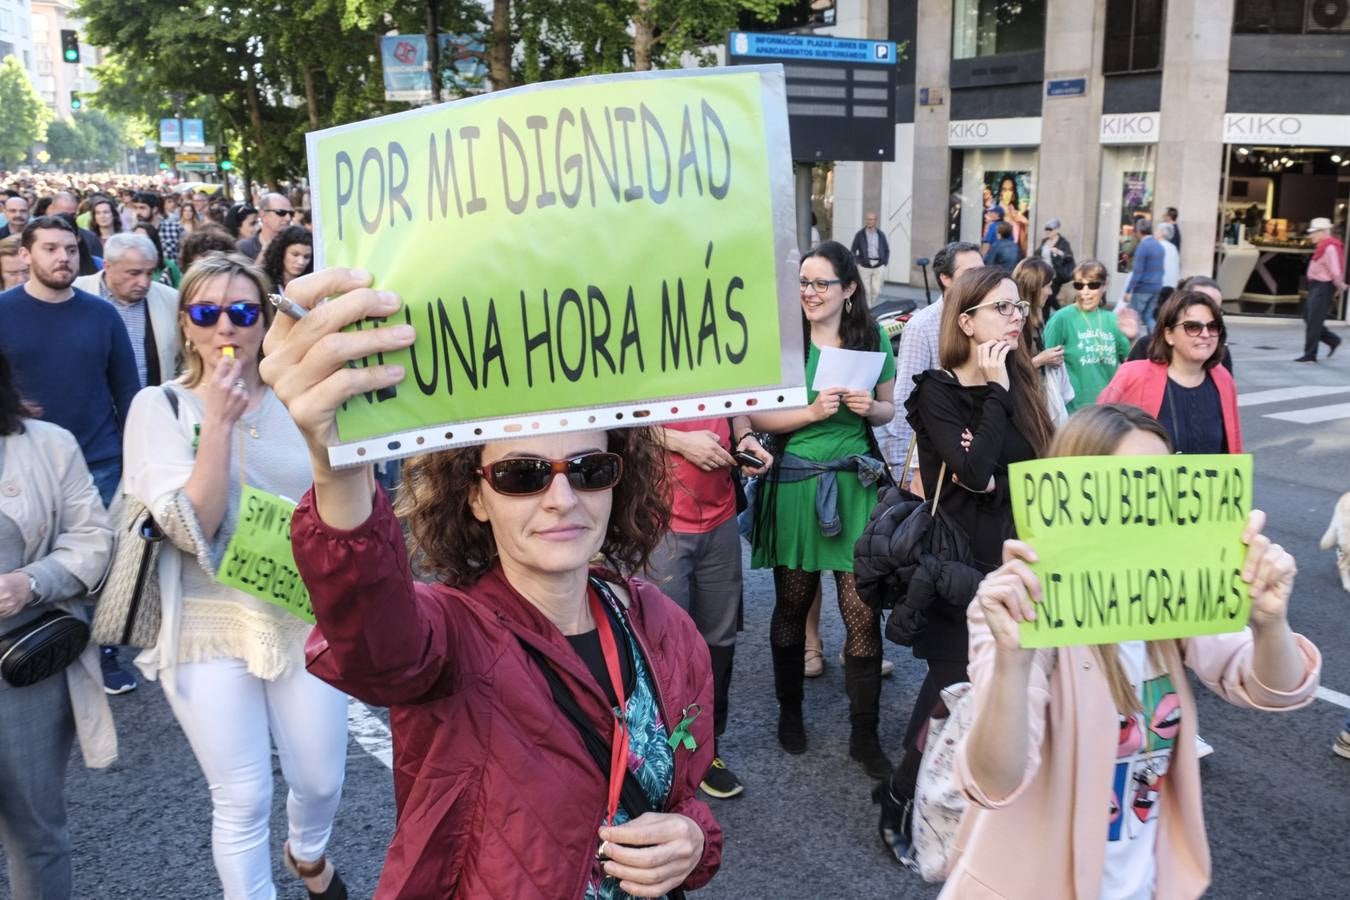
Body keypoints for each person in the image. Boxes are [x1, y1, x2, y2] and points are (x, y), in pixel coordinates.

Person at [261, 267, 724, 899]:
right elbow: (377, 646)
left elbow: (685, 796)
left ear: (620, 480)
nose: (562, 499)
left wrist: (691, 840)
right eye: (522, 475)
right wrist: (336, 461)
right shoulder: (451, 637)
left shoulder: (665, 629)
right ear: (476, 497)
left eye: (590, 469)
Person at [940, 403, 1321, 899]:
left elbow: (1275, 689)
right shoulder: (1017, 607)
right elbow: (994, 781)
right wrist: (1015, 661)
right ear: (1074, 495)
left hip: (1143, 884)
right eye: (1126, 486)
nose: (1147, 511)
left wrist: (1270, 623)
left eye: (1162, 484)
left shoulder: (1172, 597)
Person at [121, 254, 350, 900]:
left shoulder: (299, 403)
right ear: (185, 326)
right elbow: (189, 526)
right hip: (205, 626)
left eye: (244, 311)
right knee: (243, 796)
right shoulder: (159, 408)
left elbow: (343, 500)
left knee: (320, 780)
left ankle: (307, 853)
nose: (227, 324)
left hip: (303, 616)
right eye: (207, 311)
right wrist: (217, 420)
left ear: (265, 320)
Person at [874, 265, 1054, 865]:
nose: (1014, 318)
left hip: (1017, 558)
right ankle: (901, 795)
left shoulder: (1025, 383)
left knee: (997, 685)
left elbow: (1042, 466)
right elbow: (973, 471)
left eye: (1018, 309)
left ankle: (967, 796)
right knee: (949, 689)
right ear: (967, 320)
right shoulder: (935, 389)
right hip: (957, 563)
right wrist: (997, 387)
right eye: (1001, 308)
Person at [748, 240, 896, 778]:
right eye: (803, 283)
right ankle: (791, 714)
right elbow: (757, 416)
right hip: (794, 484)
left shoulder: (872, 336)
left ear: (849, 289)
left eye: (820, 283)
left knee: (859, 607)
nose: (809, 292)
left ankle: (865, 734)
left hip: (855, 484)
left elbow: (887, 409)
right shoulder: (784, 341)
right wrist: (811, 412)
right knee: (791, 601)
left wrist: (870, 407)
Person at [0, 216, 140, 693]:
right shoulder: (3, 313)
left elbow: (128, 390)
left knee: (97, 563)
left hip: (98, 459)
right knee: (36, 565)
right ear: (25, 255)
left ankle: (104, 652)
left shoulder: (101, 315)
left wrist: (134, 456)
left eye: (71, 250)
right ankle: (36, 650)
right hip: (24, 467)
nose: (63, 258)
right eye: (51, 248)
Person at [0, 349, 117, 900]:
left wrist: (32, 581)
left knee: (36, 831)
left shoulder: (48, 445)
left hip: (23, 670)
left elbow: (94, 540)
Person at [648, 417, 771, 799]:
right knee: (662, 646)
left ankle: (705, 748)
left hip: (719, 516)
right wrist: (679, 442)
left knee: (719, 642)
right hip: (659, 518)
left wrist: (744, 434)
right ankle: (659, 753)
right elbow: (614, 419)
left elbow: (734, 401)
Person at [879, 241, 984, 478]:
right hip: (934, 460)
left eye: (982, 270)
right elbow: (906, 397)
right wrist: (901, 471)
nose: (980, 278)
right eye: (971, 273)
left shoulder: (985, 317)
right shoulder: (923, 326)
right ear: (945, 278)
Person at [1100, 289, 1241, 455]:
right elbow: (1097, 435)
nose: (1205, 334)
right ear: (1169, 335)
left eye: (1212, 327)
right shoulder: (1132, 375)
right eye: (1193, 327)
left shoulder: (1223, 379)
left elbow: (1231, 449)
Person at [74, 233, 181, 389]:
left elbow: (184, 360)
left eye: (150, 273)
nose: (144, 283)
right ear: (107, 266)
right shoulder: (75, 293)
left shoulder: (171, 299)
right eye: (134, 273)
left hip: (152, 408)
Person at [1042, 260, 1131, 412]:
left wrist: (1133, 338)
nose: (1085, 291)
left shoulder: (1113, 320)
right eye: (1079, 285)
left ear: (1105, 285)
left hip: (1107, 412)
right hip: (1073, 412)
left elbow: (1130, 362)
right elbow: (1046, 368)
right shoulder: (1061, 318)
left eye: (1093, 285)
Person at [1013, 257, 1073, 425]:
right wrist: (1041, 360)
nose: (1050, 292)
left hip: (1036, 402)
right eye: (1047, 286)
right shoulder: (1015, 322)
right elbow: (1007, 371)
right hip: (1023, 409)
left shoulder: (1035, 317)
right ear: (1034, 288)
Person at [1296, 216, 1345, 363]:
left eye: (1314, 232)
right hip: (1316, 287)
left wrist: (1339, 285)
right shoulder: (1323, 246)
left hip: (1322, 287)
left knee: (1314, 321)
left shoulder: (1330, 247)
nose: (1311, 235)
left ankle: (1310, 355)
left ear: (1324, 232)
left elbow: (1335, 269)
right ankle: (1333, 340)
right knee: (1309, 317)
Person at [1123, 218, 1165, 332]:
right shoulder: (1159, 246)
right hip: (1156, 287)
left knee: (1132, 317)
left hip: (1143, 288)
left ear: (1139, 231)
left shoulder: (1143, 247)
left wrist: (1128, 291)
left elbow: (1137, 272)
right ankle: (1157, 340)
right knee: (1148, 317)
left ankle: (1133, 346)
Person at [850, 211, 890, 306]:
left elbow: (886, 249)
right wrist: (858, 262)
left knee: (876, 290)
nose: (869, 221)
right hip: (864, 266)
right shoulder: (860, 235)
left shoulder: (881, 235)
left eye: (871, 219)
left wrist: (884, 262)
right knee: (866, 291)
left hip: (878, 265)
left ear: (876, 221)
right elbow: (853, 250)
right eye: (868, 219)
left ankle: (870, 307)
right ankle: (869, 311)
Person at [238, 194, 293, 260]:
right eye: (281, 212)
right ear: (263, 215)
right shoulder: (244, 248)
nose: (288, 218)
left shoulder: (299, 245)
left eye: (291, 213)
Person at [260, 225, 313, 293]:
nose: (301, 262)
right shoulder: (264, 281)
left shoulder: (312, 284)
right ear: (281, 252)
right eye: (295, 254)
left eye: (306, 257)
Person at [1036, 218, 1074, 309]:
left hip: (1057, 274)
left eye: (1050, 229)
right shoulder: (1044, 241)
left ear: (1056, 230)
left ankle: (1060, 312)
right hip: (1044, 273)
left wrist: (1059, 252)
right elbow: (1037, 254)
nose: (1048, 231)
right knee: (1046, 299)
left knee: (1050, 296)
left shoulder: (1063, 242)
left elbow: (1069, 256)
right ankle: (1045, 320)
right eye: (1046, 229)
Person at [997, 176, 1029, 257]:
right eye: (1004, 189)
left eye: (1010, 189)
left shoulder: (1018, 215)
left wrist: (1025, 224)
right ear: (1000, 193)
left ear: (1014, 194)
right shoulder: (994, 213)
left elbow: (1024, 250)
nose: (1007, 193)